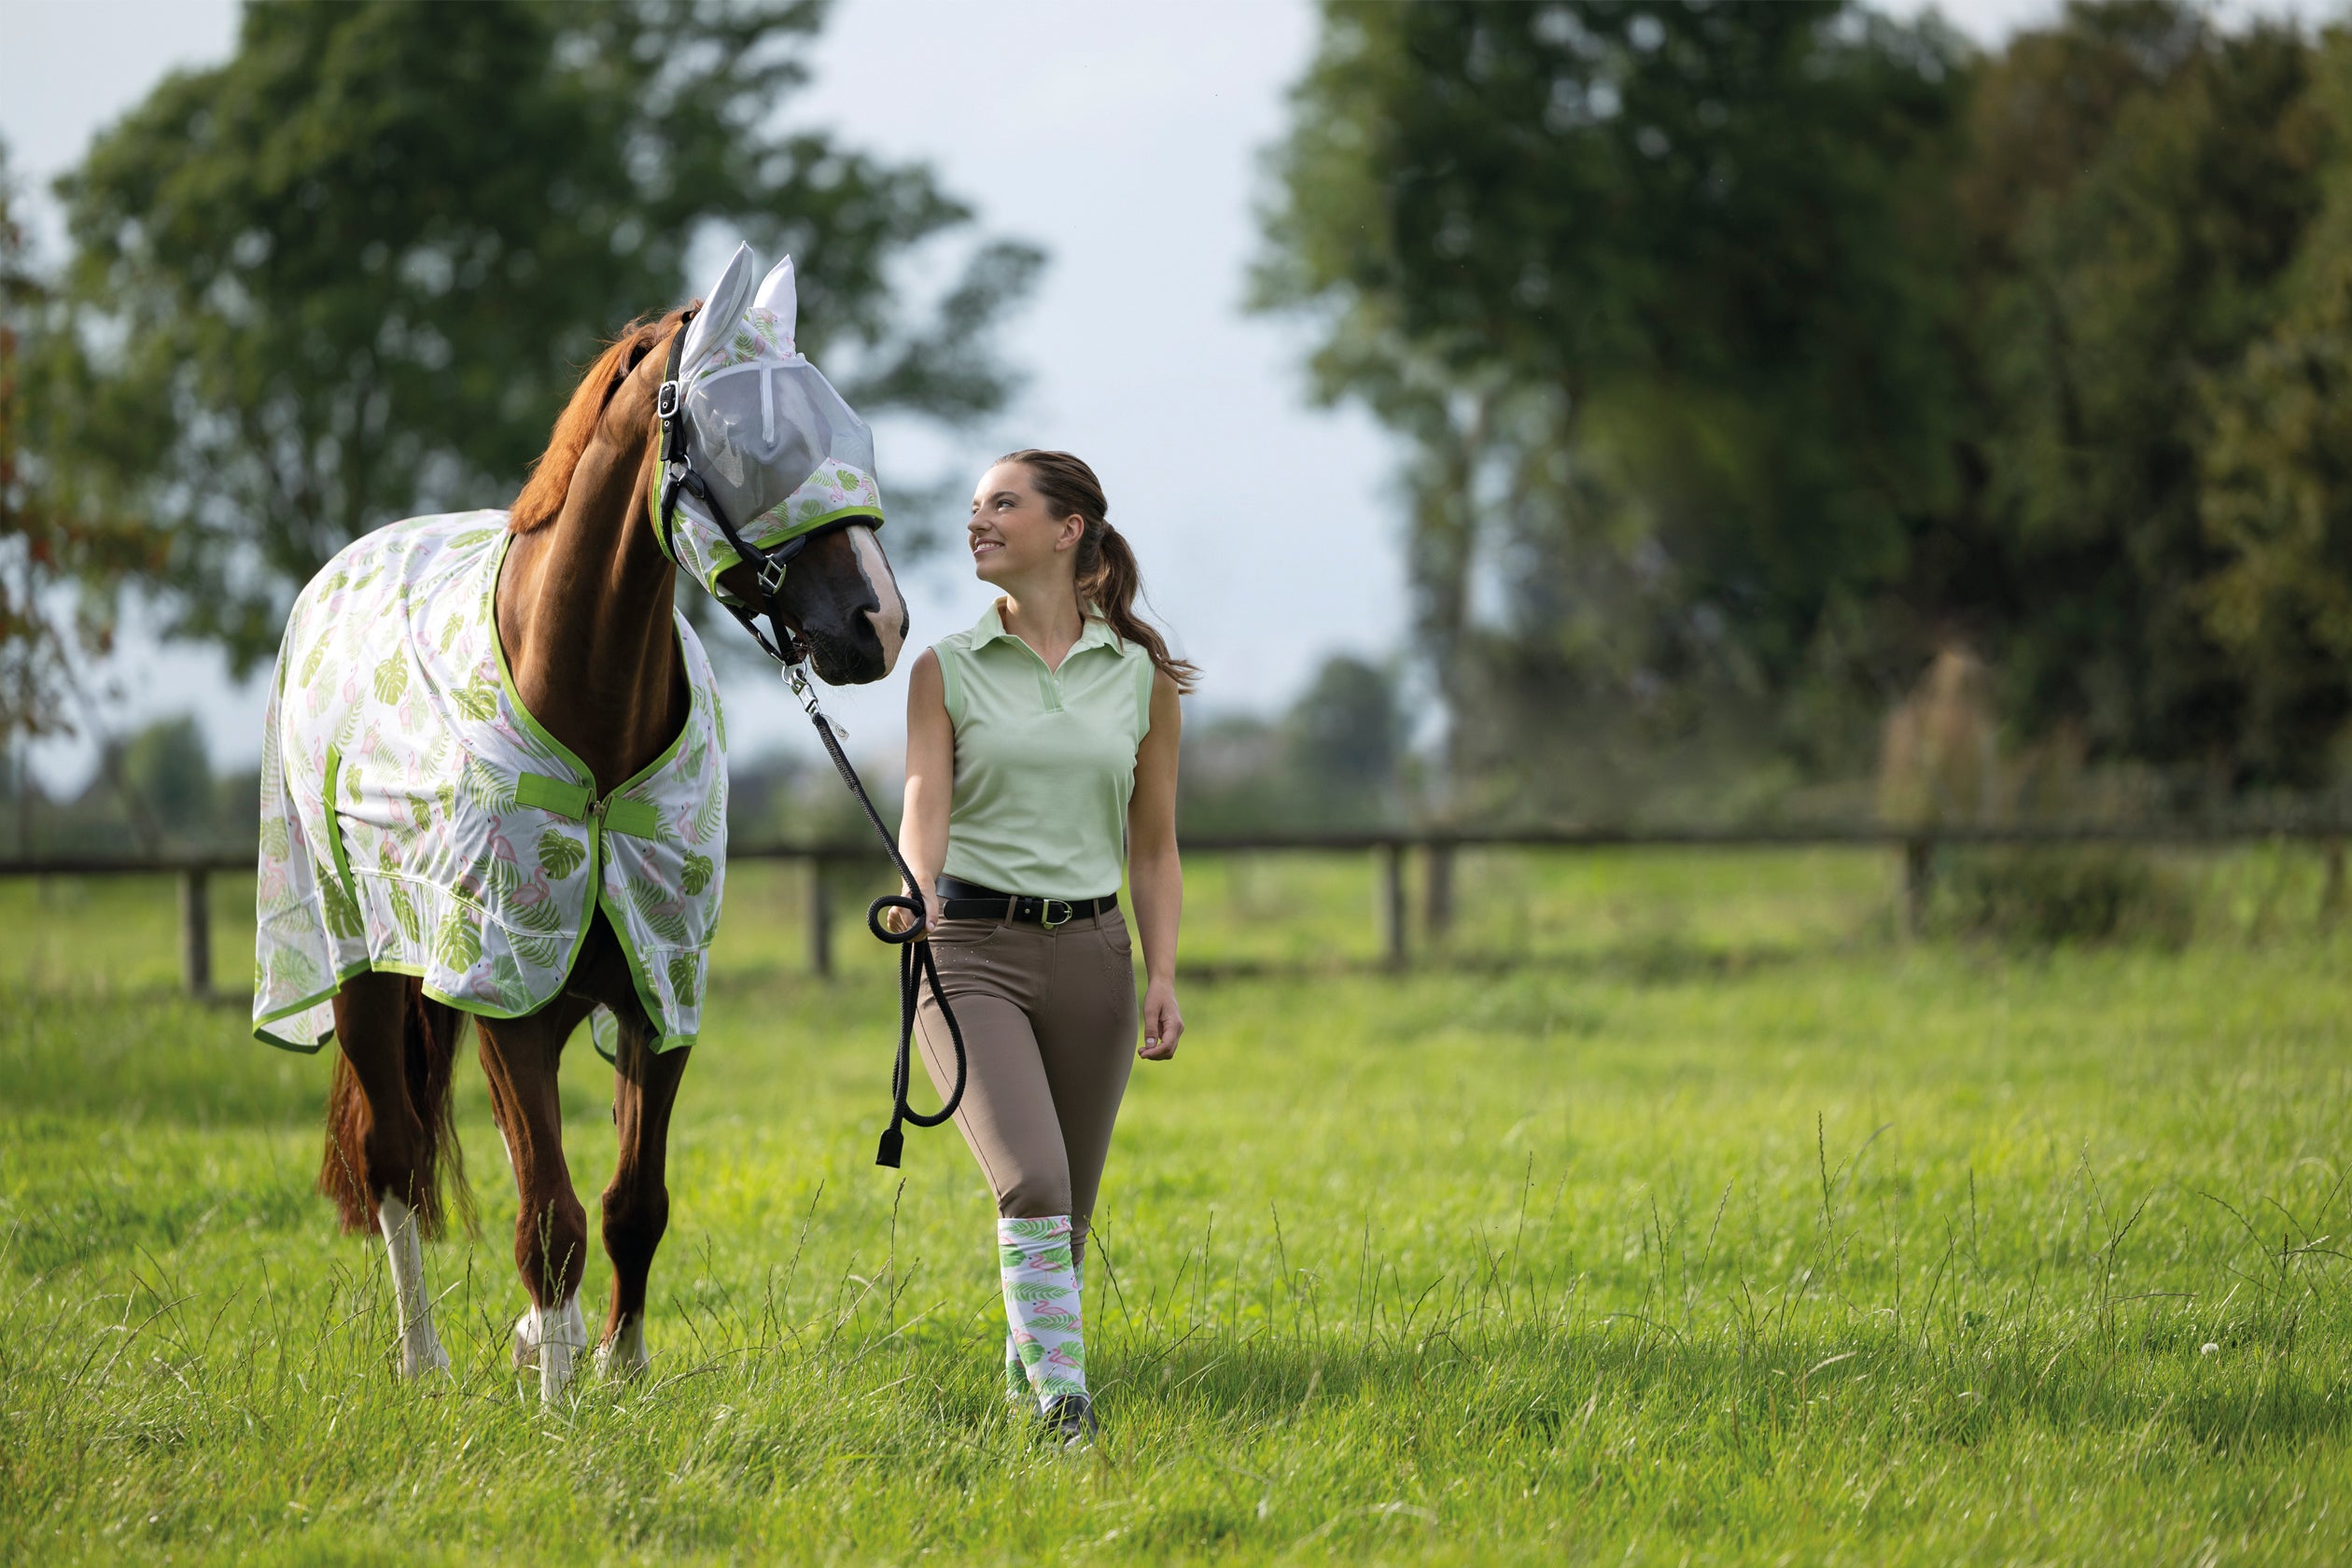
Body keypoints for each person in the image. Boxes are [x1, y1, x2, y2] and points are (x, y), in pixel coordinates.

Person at [892, 449, 1192, 1449]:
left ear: (1068, 530)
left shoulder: (1139, 679)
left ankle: (1028, 1385)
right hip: (967, 949)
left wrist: (1164, 976)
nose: (979, 520)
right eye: (974, 507)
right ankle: (1066, 1406)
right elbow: (923, 808)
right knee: (1031, 1183)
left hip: (1096, 960)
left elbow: (1153, 847)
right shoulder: (945, 667)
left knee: (1065, 1221)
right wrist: (914, 896)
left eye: (1003, 504)